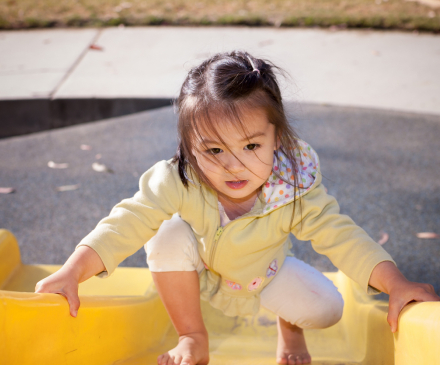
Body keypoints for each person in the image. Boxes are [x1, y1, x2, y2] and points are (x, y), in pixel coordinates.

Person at [35, 50, 439, 365]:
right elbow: (127, 221)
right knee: (166, 233)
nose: (234, 165)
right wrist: (73, 271)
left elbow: (342, 235)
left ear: (276, 137)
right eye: (213, 150)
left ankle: (289, 325)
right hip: (202, 269)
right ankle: (193, 336)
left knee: (328, 309)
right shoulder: (180, 179)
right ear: (189, 148)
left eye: (250, 145)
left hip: (266, 275)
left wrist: (396, 283)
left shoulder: (293, 185)